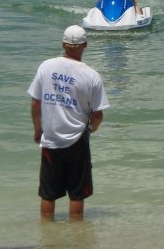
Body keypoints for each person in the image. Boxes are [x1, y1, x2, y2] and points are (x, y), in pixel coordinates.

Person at [28, 25, 109, 221]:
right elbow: (98, 114)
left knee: (48, 193)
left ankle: (47, 232)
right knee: (77, 193)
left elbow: (35, 102)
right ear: (85, 45)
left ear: (63, 44)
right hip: (77, 139)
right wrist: (90, 129)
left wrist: (38, 130)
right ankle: (77, 233)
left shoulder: (46, 66)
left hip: (51, 138)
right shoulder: (91, 75)